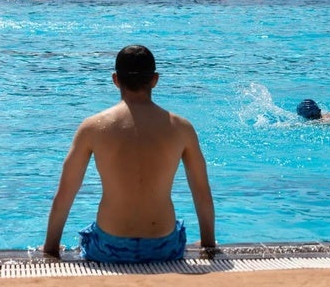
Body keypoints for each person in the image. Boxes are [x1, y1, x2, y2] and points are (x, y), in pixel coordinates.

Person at [43, 45, 216, 263]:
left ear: (115, 79)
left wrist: (50, 249)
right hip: (164, 247)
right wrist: (208, 245)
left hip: (109, 246)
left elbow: (65, 193)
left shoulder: (92, 127)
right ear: (155, 79)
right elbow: (201, 192)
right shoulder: (181, 128)